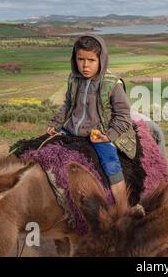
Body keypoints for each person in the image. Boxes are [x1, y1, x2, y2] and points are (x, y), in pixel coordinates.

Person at [47, 34, 141, 213]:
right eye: (80, 59)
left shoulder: (111, 84)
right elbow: (68, 104)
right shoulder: (74, 79)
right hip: (71, 130)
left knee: (110, 163)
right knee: (44, 149)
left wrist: (109, 136)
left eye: (91, 60)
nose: (85, 65)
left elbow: (123, 115)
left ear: (101, 59)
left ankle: (122, 208)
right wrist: (56, 122)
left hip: (98, 133)